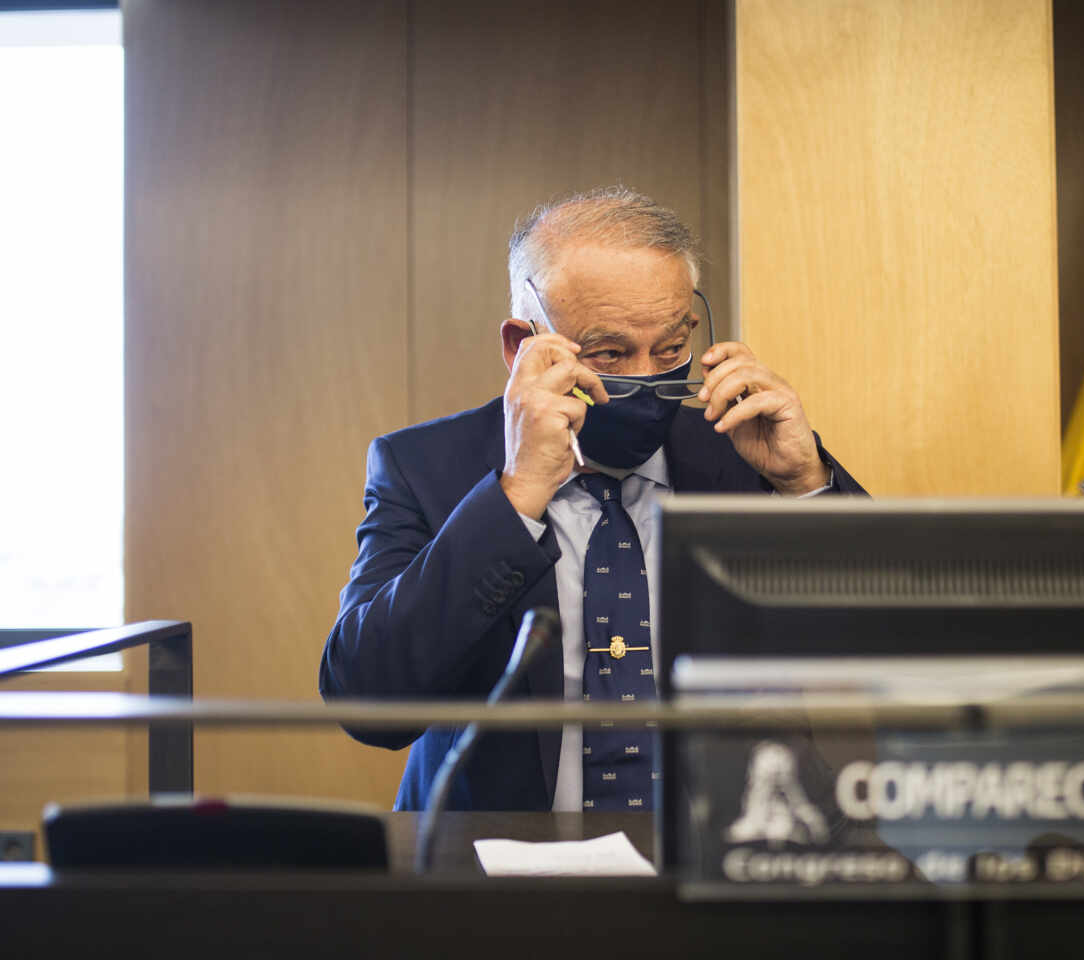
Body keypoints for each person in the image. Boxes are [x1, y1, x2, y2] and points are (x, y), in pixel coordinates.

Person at [320, 186, 864, 811]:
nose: (644, 377)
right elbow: (370, 703)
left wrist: (804, 485)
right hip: (500, 869)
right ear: (521, 346)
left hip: (723, 859)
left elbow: (895, 657)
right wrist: (517, 495)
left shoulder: (744, 454)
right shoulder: (425, 468)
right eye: (609, 353)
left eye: (670, 348)